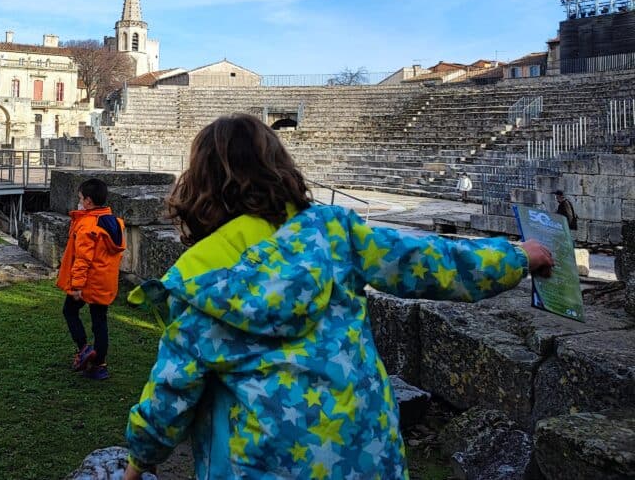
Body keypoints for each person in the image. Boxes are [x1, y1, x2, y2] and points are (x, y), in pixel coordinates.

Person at [123, 114, 553, 480]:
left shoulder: (199, 276)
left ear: (199, 185)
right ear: (278, 167)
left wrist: (138, 461)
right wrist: (516, 258)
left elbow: (169, 392)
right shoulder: (332, 232)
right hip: (366, 453)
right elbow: (428, 261)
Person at [57, 177, 127, 380]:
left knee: (69, 311)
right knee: (99, 321)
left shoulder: (87, 225)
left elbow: (83, 259)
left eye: (80, 198)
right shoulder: (115, 222)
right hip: (105, 280)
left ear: (88, 201)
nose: (78, 202)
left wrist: (77, 285)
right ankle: (100, 366)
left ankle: (84, 349)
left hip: (89, 281)